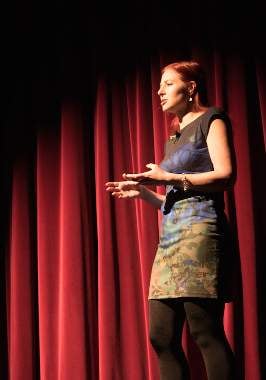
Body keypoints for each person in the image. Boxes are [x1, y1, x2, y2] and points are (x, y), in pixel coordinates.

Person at [105, 61, 235, 380]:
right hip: (171, 241)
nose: (159, 91)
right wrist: (144, 192)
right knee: (160, 336)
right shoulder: (174, 137)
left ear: (190, 88)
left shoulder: (211, 119)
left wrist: (169, 176)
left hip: (201, 236)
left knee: (204, 330)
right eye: (159, 85)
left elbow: (226, 176)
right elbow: (174, 199)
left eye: (167, 83)